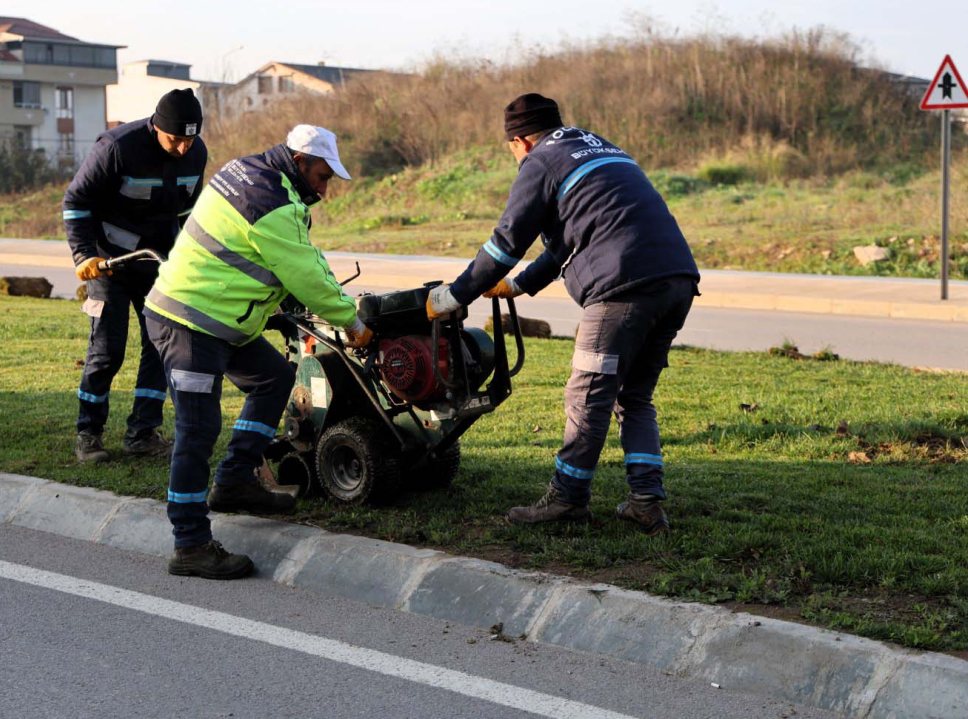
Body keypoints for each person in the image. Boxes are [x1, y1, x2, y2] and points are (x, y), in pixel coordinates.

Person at [426, 94, 699, 536]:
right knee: (634, 396)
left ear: (519, 142)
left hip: (622, 287)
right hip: (677, 281)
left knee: (587, 395)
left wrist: (454, 296)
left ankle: (568, 500)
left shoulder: (541, 161)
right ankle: (646, 503)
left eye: (512, 150)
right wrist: (519, 284)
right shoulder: (600, 147)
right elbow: (568, 242)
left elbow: (503, 246)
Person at [143, 124, 373, 579]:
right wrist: (354, 322)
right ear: (300, 162)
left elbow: (285, 254)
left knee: (273, 377)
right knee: (197, 429)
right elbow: (304, 271)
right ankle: (189, 544)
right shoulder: (271, 202)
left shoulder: (250, 172)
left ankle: (233, 481)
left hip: (222, 322)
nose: (325, 191)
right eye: (323, 177)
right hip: (191, 323)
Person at [62, 89, 208, 463]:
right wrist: (84, 254)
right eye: (175, 139)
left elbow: (188, 215)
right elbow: (76, 201)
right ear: (156, 127)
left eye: (188, 139)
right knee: (107, 350)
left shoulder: (196, 152)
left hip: (157, 264)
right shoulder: (116, 147)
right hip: (108, 263)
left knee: (161, 348)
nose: (181, 148)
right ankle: (89, 433)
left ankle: (142, 433)